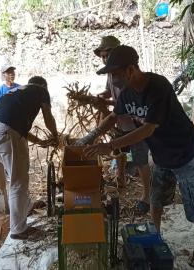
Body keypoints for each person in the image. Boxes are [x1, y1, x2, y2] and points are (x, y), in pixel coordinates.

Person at [84, 45, 194, 268]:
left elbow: (147, 129)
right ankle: (156, 238)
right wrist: (92, 135)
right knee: (156, 199)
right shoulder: (127, 94)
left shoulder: (158, 86)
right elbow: (114, 117)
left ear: (131, 70)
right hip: (161, 156)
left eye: (116, 73)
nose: (113, 79)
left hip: (185, 153)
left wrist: (110, 146)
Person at [78, 36, 151, 215]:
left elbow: (125, 106)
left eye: (107, 54)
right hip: (120, 122)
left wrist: (108, 106)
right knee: (119, 152)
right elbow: (111, 95)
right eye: (102, 56)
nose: (104, 59)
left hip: (135, 125)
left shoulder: (136, 80)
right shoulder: (112, 74)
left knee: (140, 159)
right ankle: (120, 179)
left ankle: (147, 195)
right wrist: (98, 98)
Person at [0, 76, 58, 240]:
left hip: (1, 130)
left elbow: (13, 124)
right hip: (7, 132)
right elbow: (48, 117)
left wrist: (40, 141)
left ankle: (26, 206)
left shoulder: (18, 93)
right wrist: (56, 136)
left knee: (18, 174)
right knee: (18, 180)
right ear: (43, 86)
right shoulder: (41, 90)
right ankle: (18, 229)